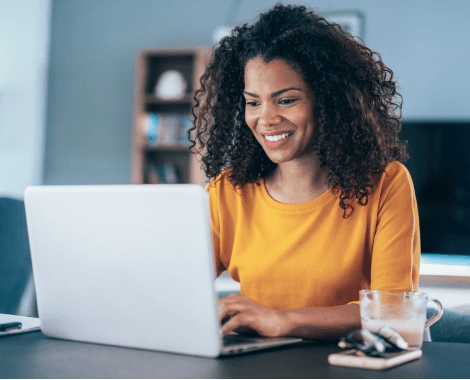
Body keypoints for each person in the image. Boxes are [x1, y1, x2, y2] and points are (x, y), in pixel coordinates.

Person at [189, 3, 420, 341]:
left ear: (327, 101)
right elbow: (178, 287)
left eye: (286, 100)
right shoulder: (228, 191)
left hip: (346, 364)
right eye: (253, 102)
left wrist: (283, 321)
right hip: (253, 364)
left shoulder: (386, 183)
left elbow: (394, 311)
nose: (265, 119)